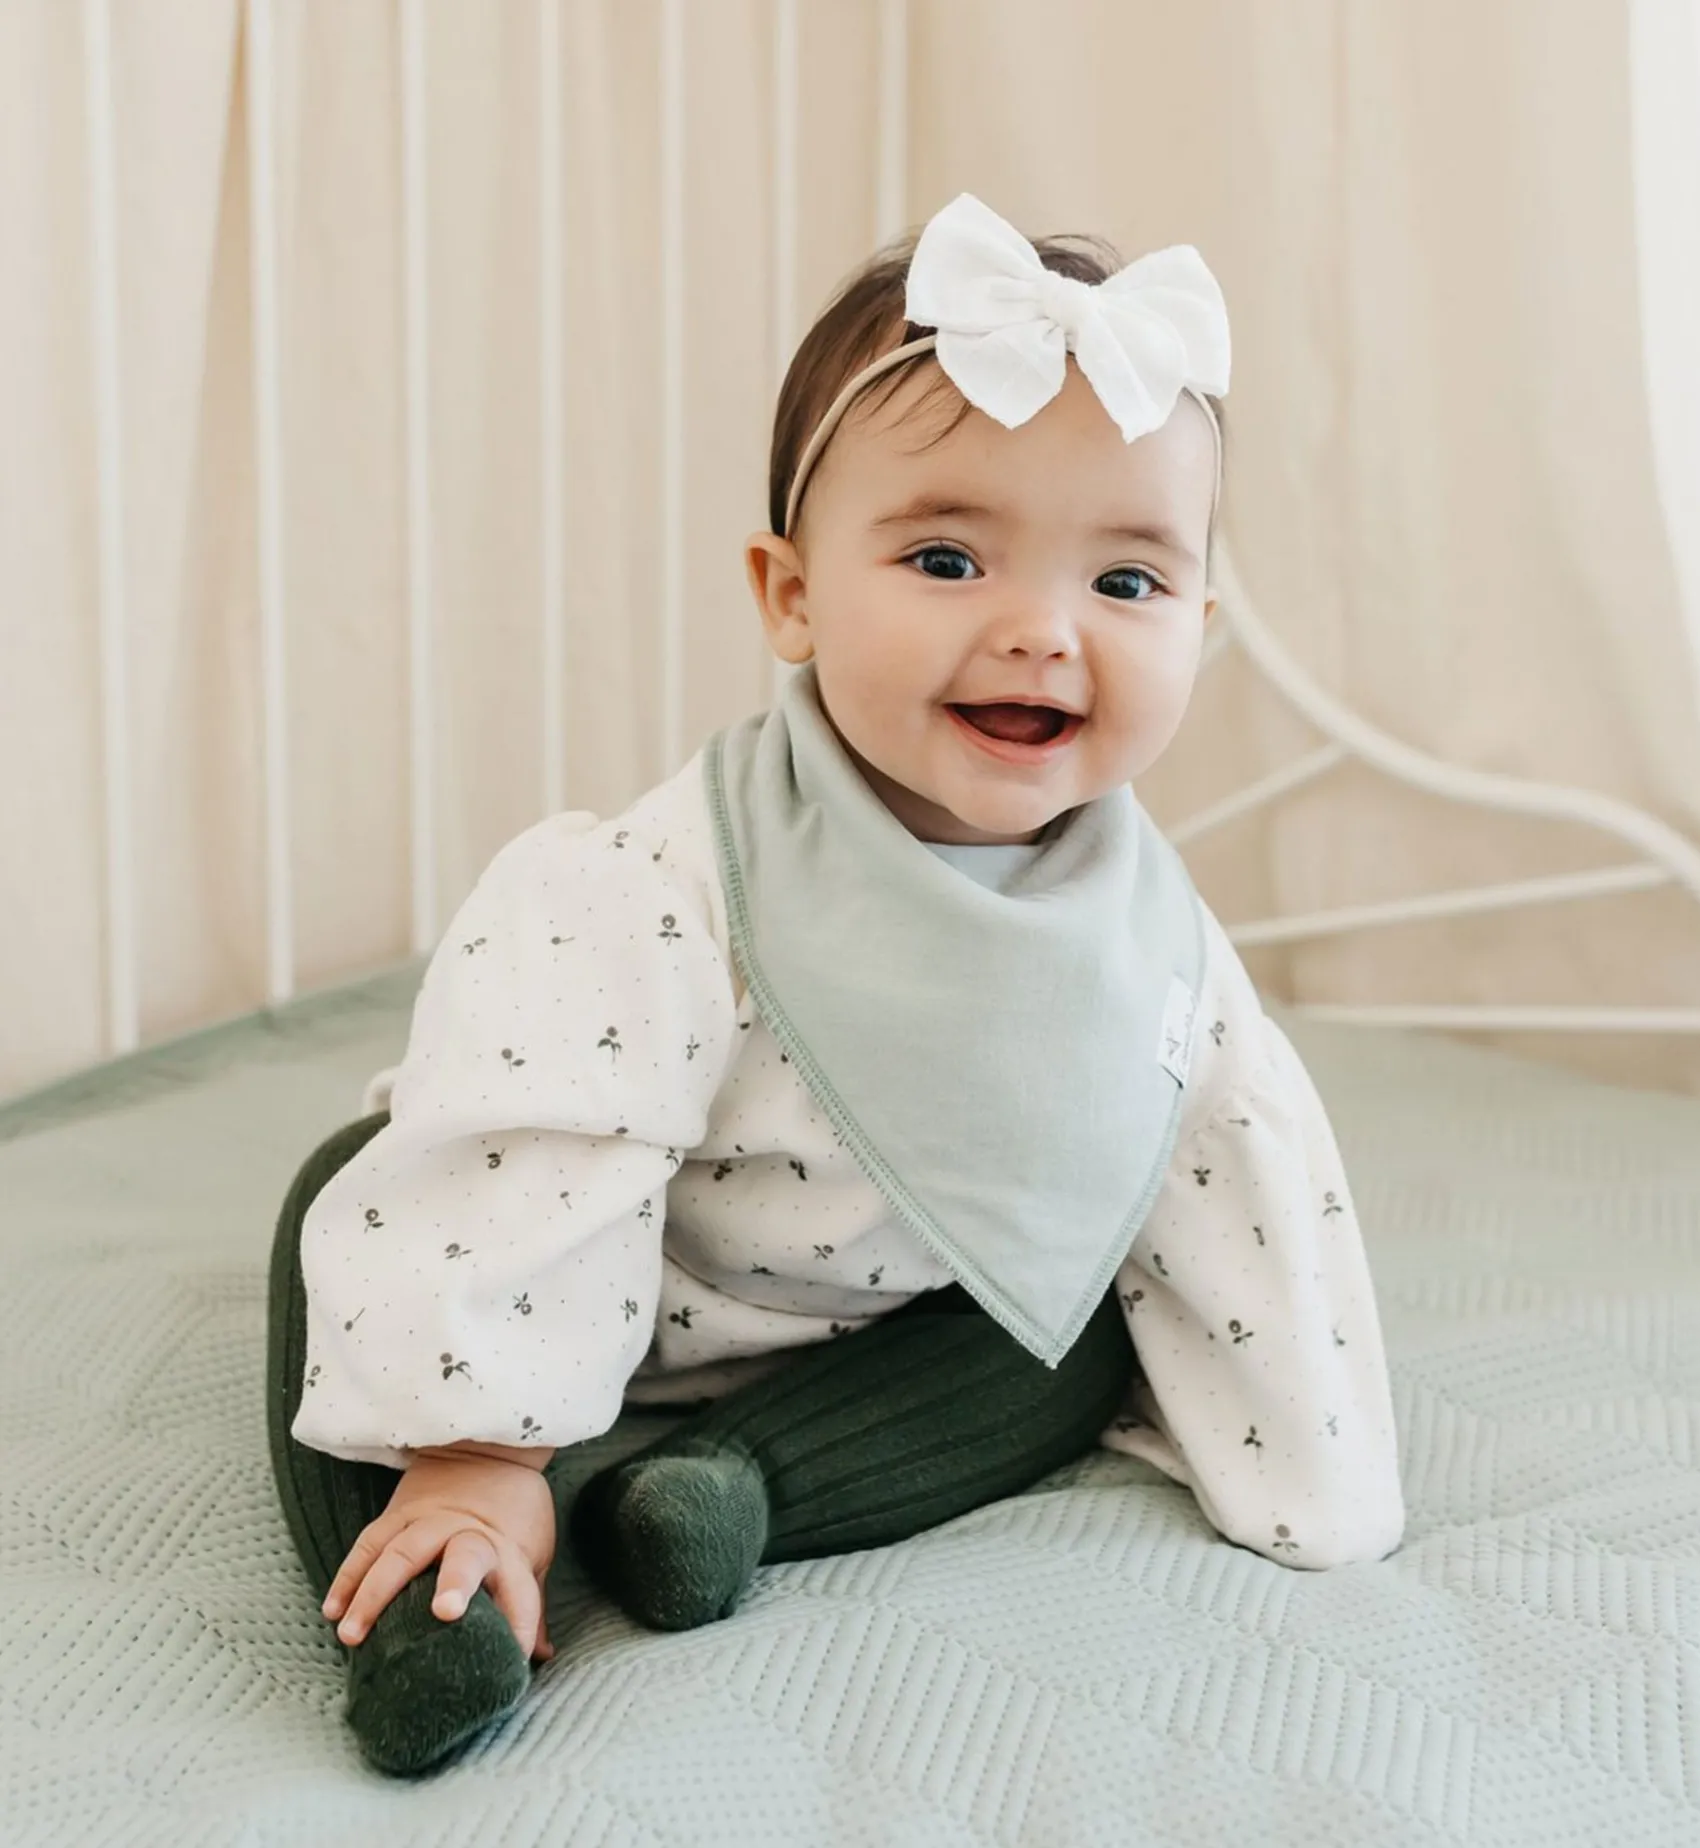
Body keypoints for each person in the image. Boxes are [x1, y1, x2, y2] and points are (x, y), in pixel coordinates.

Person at [266, 191, 1405, 1778]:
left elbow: (1237, 1198)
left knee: (1092, 1316)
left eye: (1128, 584)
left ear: (1200, 627)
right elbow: (536, 1144)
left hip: (895, 1323)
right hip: (623, 1274)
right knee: (359, 1204)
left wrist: (1318, 1487)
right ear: (791, 593)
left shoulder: (1156, 944)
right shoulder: (676, 880)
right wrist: (479, 1448)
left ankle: (726, 1495)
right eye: (947, 557)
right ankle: (436, 1558)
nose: (1043, 632)